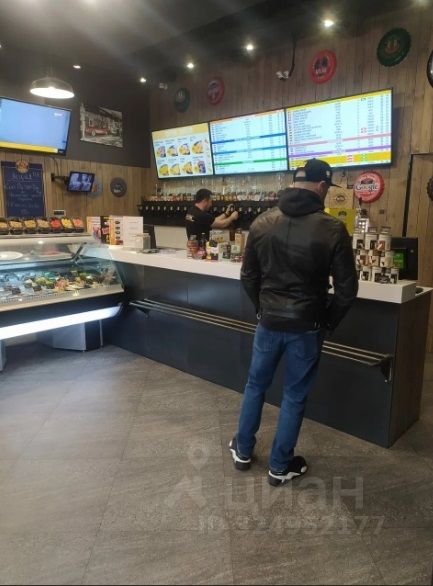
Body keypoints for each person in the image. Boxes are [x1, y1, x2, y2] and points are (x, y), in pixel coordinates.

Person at [229, 158, 358, 487]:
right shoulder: (332, 229)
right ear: (322, 186)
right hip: (307, 325)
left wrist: (262, 308)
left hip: (269, 322)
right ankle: (279, 465)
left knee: (255, 386)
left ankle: (242, 451)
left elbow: (248, 277)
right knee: (294, 395)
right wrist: (327, 322)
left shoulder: (262, 222)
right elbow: (347, 290)